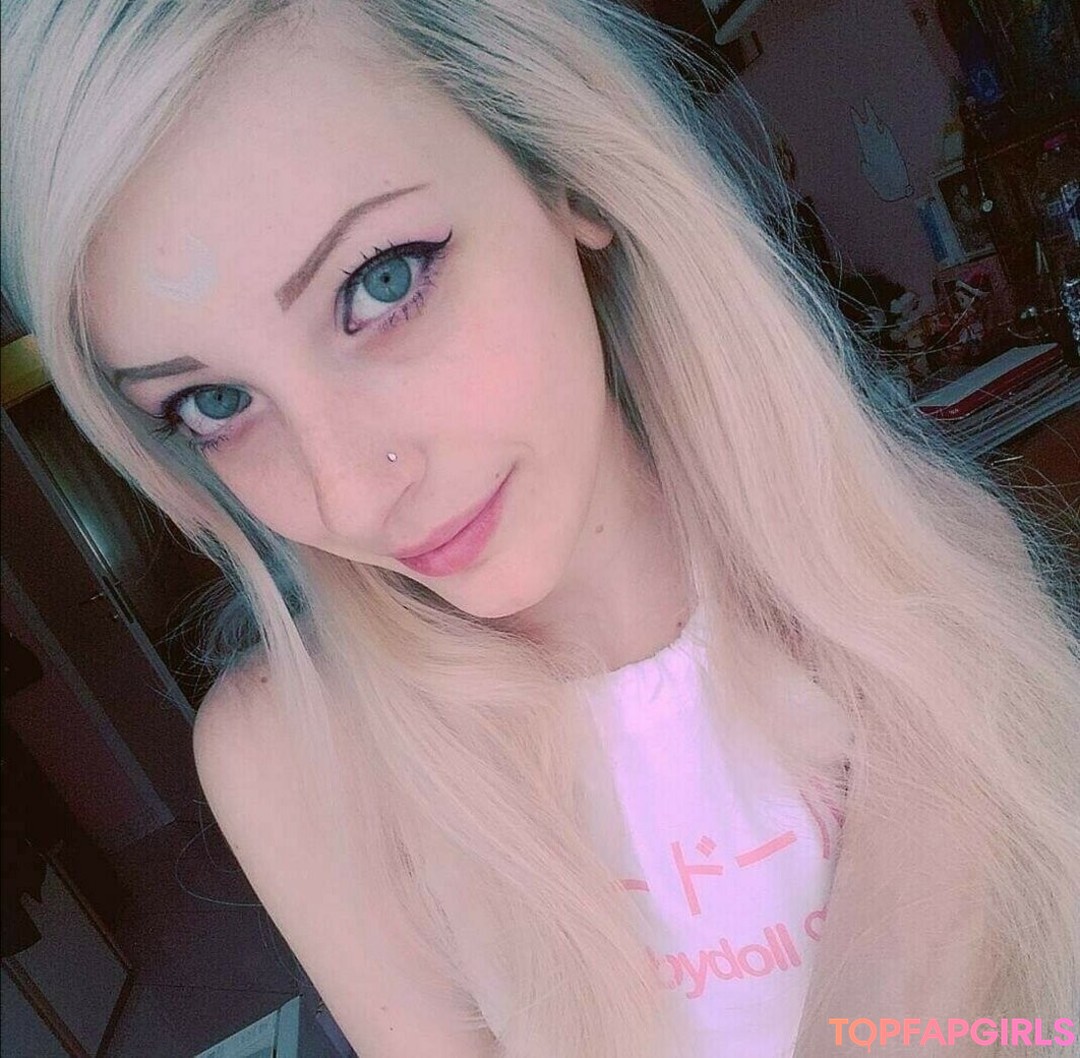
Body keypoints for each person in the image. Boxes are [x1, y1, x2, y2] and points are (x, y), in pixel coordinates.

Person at [2, 2, 1078, 1056]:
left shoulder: (927, 562)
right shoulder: (297, 758)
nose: (348, 497)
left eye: (380, 282)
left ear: (562, 175)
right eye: (215, 403)